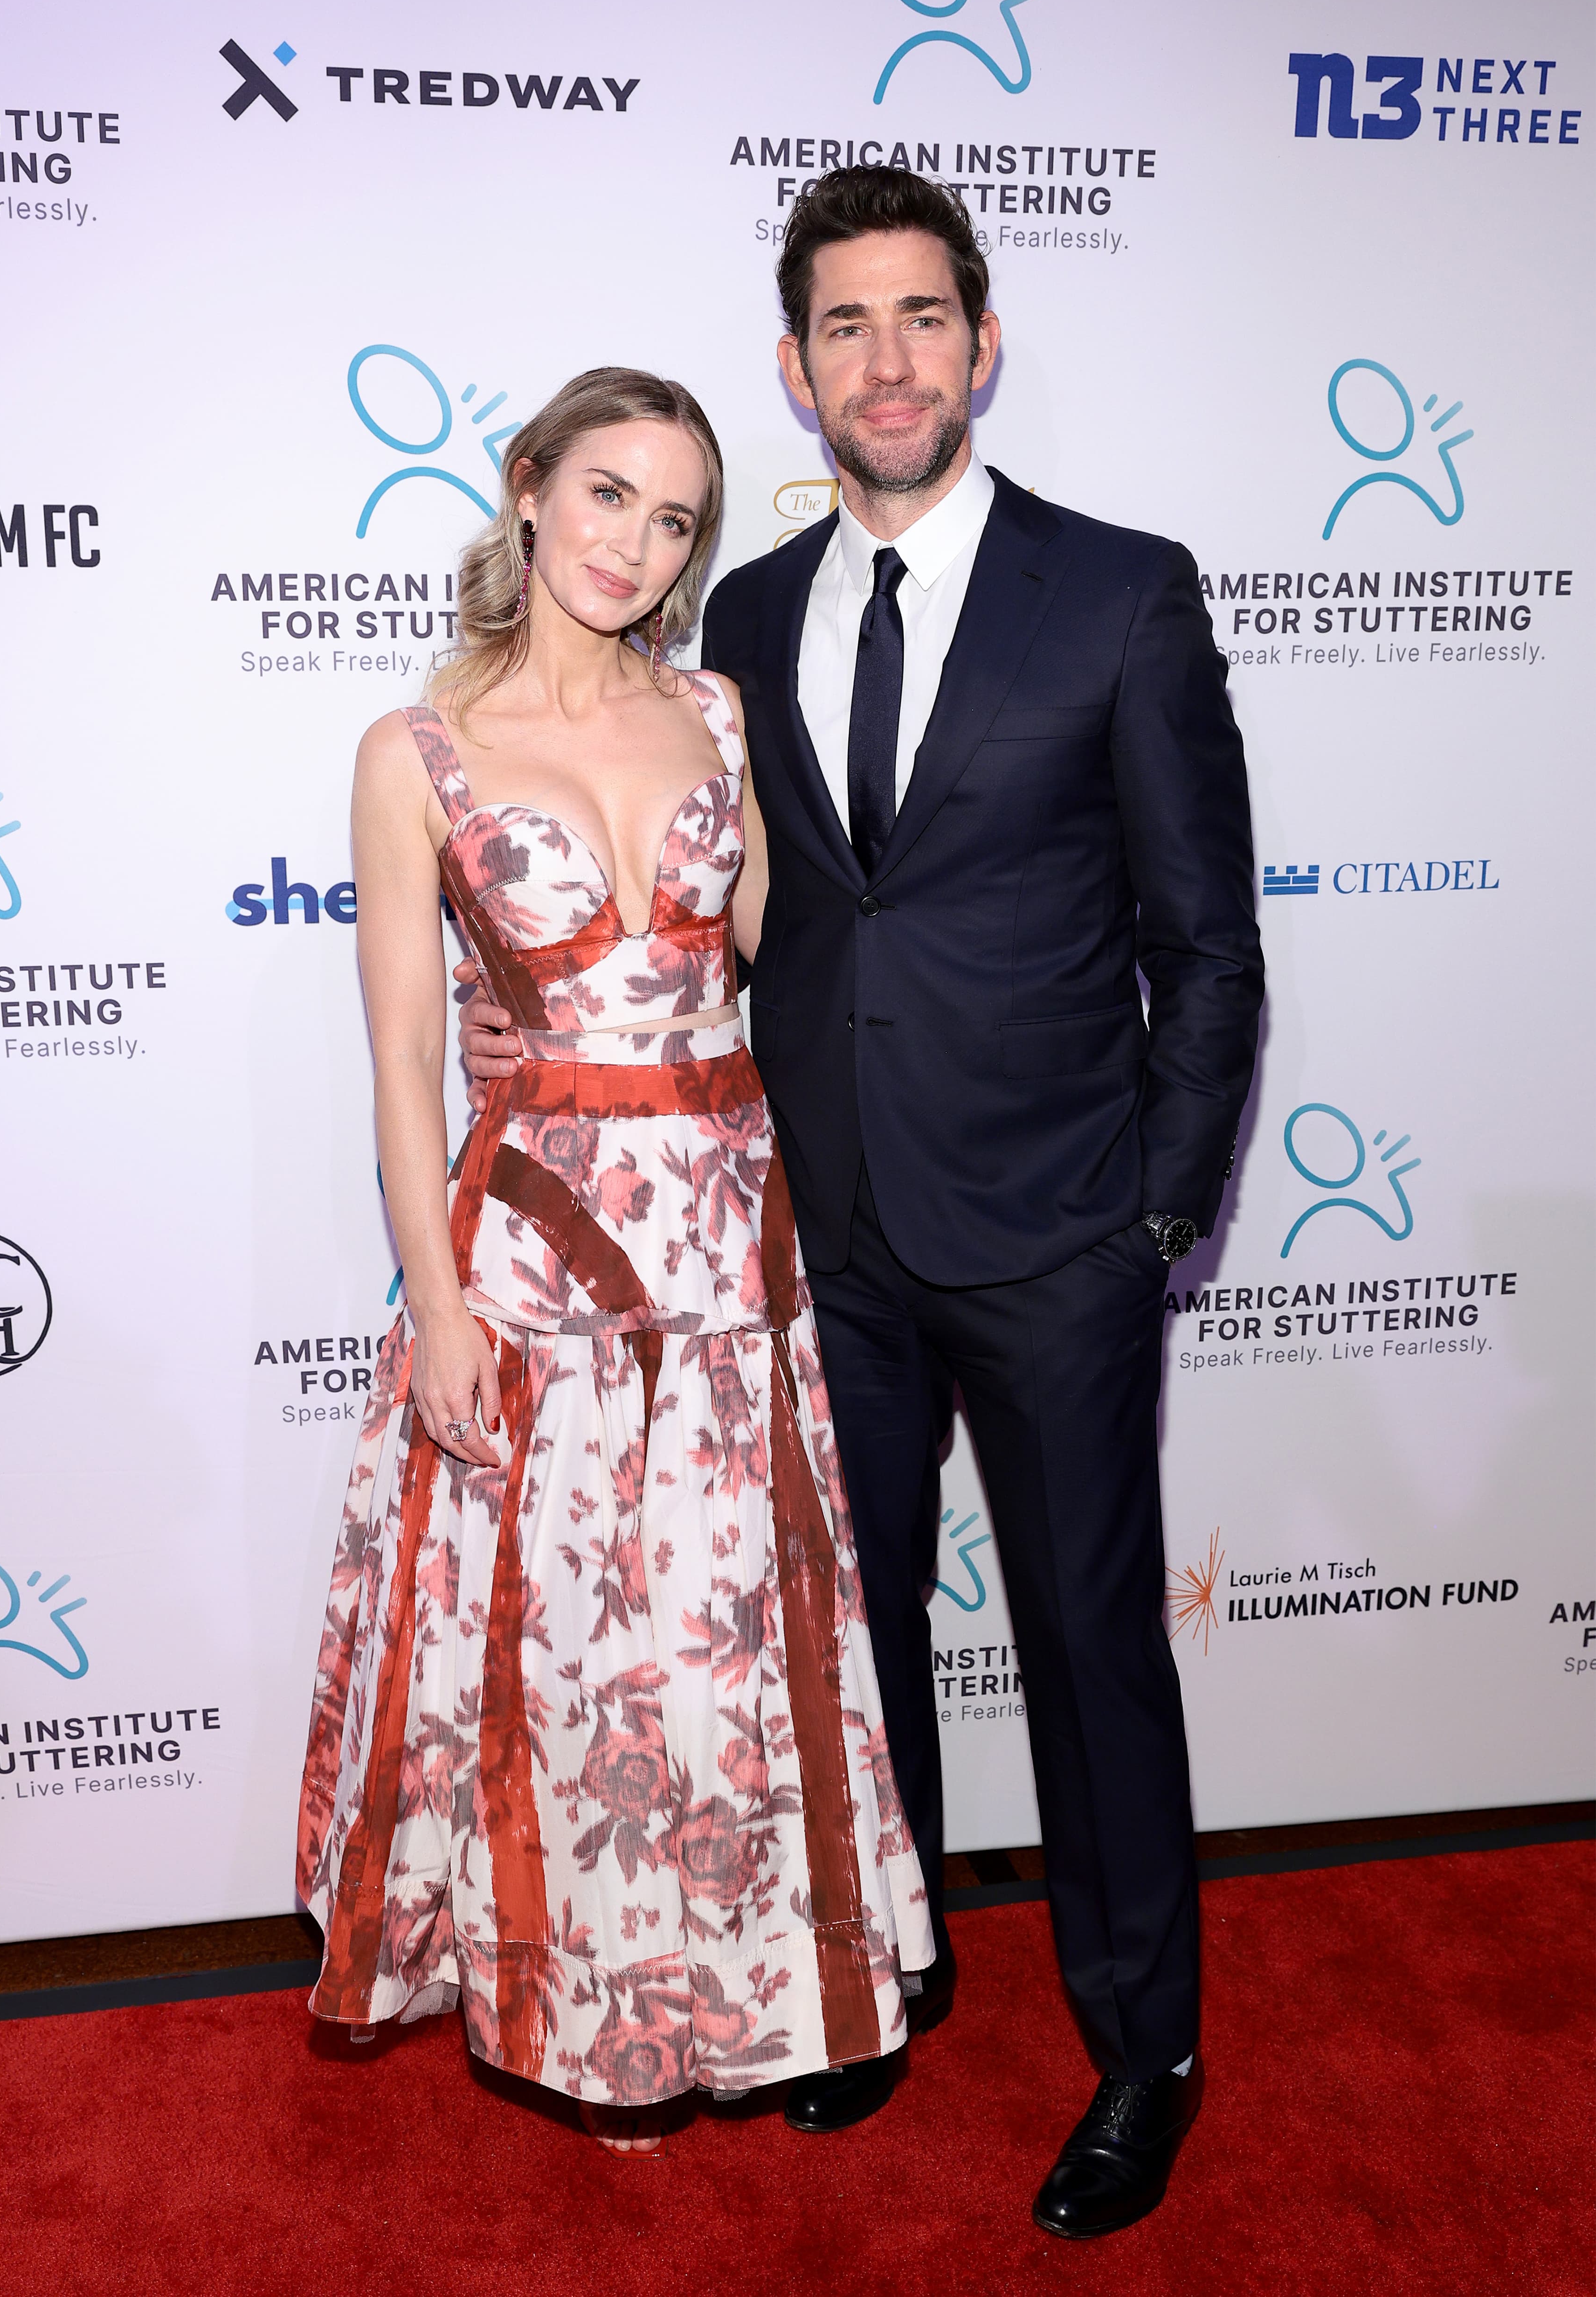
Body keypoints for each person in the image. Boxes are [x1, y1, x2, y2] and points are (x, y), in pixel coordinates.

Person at [460, 172, 1264, 2234]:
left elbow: (1208, 939)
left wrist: (1153, 1219)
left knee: (1093, 1646)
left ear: (979, 347)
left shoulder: (1120, 594)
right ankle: (879, 1968)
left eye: (922, 318)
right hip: (813, 1238)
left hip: (1063, 1230)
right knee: (849, 1631)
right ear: (794, 363)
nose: (885, 358)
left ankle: (1141, 2046)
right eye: (843, 323)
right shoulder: (730, 620)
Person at [297, 366, 933, 2158]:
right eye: (605, 497)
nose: (633, 546)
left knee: (730, 1651)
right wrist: (438, 1305)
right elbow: (407, 1062)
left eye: (672, 521)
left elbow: (783, 971)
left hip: (734, 1252)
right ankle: (583, 2020)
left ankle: (754, 2004)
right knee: (572, 1662)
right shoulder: (412, 752)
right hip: (538, 1263)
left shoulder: (722, 713)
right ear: (524, 489)